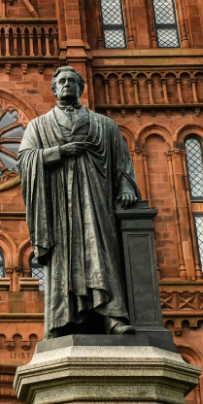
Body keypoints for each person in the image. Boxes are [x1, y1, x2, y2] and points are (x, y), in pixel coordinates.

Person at [17, 65, 141, 337]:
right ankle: (66, 321)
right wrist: (59, 152)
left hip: (96, 201)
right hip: (59, 203)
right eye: (61, 80)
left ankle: (113, 318)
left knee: (102, 253)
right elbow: (25, 160)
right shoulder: (38, 126)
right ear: (53, 88)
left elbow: (122, 161)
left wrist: (126, 187)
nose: (67, 84)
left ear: (81, 88)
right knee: (63, 258)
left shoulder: (103, 124)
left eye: (73, 80)